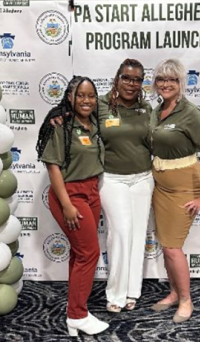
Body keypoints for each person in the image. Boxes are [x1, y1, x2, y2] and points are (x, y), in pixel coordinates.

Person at [47, 59, 154, 313]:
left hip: (143, 179)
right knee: (120, 232)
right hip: (112, 179)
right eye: (126, 78)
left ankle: (132, 291)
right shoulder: (101, 104)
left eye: (137, 79)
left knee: (138, 235)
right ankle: (115, 294)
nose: (131, 84)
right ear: (117, 78)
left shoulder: (146, 108)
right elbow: (76, 113)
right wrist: (56, 116)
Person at [36, 76, 109, 337]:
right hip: (70, 194)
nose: (86, 101)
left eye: (91, 96)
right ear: (70, 97)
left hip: (91, 191)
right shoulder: (60, 126)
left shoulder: (94, 124)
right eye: (80, 96)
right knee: (89, 253)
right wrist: (66, 205)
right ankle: (77, 315)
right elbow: (52, 167)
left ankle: (74, 309)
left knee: (80, 253)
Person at [149, 59, 200, 323]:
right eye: (161, 79)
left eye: (172, 80)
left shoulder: (191, 113)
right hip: (160, 187)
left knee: (173, 247)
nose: (166, 84)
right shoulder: (157, 111)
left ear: (181, 83)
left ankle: (187, 300)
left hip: (183, 188)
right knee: (166, 245)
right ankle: (174, 292)